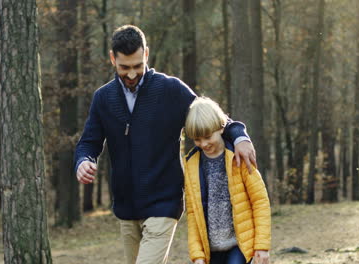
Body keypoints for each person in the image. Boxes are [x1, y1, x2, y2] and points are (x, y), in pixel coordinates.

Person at [74, 25, 257, 264]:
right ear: (112, 59)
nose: (131, 75)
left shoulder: (170, 89)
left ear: (146, 55)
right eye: (124, 68)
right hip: (126, 209)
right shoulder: (103, 98)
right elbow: (89, 142)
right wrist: (83, 161)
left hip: (163, 203)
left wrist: (240, 137)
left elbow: (213, 119)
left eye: (138, 67)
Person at [183, 97, 271, 264]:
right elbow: (193, 213)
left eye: (208, 136)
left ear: (221, 127)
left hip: (239, 246)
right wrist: (197, 256)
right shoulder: (191, 164)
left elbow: (260, 201)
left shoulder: (240, 157)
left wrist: (262, 246)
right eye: (197, 139)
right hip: (211, 250)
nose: (203, 143)